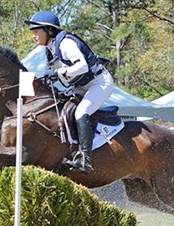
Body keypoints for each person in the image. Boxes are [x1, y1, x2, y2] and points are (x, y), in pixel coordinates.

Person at [25, 10, 114, 173]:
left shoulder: (65, 43)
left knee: (81, 112)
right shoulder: (49, 49)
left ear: (49, 31)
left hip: (100, 83)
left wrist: (58, 73)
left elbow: (82, 66)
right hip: (82, 85)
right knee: (63, 107)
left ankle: (85, 160)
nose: (33, 36)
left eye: (36, 32)